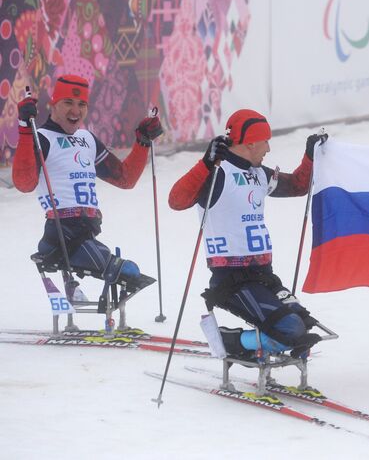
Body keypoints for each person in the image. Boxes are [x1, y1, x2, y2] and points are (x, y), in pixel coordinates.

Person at [168, 109, 325, 359]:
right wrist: (206, 163)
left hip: (263, 276)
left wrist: (310, 156)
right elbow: (176, 201)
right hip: (232, 280)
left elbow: (297, 185)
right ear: (250, 142)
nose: (268, 149)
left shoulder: (260, 174)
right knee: (290, 329)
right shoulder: (219, 173)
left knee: (305, 323)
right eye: (265, 141)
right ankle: (228, 341)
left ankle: (261, 341)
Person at [12, 75, 162, 289]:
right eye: (68, 103)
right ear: (53, 103)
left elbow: (125, 179)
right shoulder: (42, 137)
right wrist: (25, 128)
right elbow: (24, 183)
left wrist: (143, 141)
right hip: (63, 234)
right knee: (123, 269)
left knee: (126, 269)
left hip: (87, 231)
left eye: (82, 104)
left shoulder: (86, 139)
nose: (76, 111)